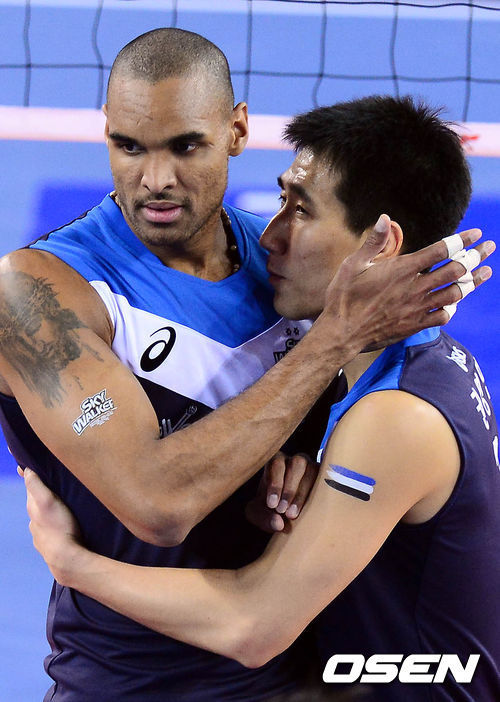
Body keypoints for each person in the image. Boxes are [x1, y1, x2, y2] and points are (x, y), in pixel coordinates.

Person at [0, 25, 490, 700]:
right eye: (129, 145)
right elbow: (158, 505)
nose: (156, 180)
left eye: (186, 146)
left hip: (290, 677)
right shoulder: (34, 297)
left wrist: (304, 462)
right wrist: (332, 340)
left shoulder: (288, 272)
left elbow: (351, 418)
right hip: (128, 686)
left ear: (236, 131)